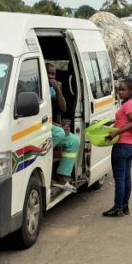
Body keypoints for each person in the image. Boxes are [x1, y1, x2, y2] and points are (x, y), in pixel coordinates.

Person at [103, 78, 132, 217]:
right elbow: (127, 121)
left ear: (131, 91)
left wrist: (116, 132)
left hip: (122, 145)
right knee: (126, 177)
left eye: (123, 89)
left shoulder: (127, 105)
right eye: (119, 89)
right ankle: (124, 206)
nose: (120, 92)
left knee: (120, 179)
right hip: (130, 145)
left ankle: (118, 208)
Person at [47, 63, 79, 193]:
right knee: (60, 132)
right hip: (40, 127)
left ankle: (61, 175)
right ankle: (47, 157)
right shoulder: (37, 88)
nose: (51, 77)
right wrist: (58, 126)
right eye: (48, 73)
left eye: (53, 74)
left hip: (53, 128)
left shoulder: (52, 89)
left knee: (73, 140)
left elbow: (63, 108)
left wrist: (58, 89)